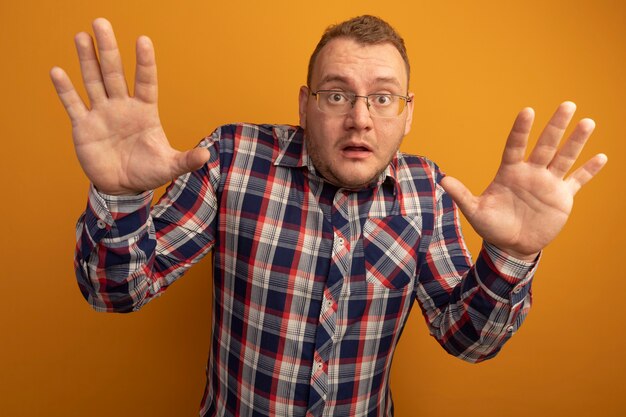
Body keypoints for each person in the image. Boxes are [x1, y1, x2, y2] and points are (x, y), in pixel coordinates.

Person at [50, 15, 607, 417]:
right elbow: (114, 292)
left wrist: (512, 256)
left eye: (383, 98)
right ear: (304, 104)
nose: (360, 119)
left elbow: (469, 340)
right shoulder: (232, 158)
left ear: (407, 113)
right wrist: (119, 198)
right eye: (336, 95)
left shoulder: (428, 192)